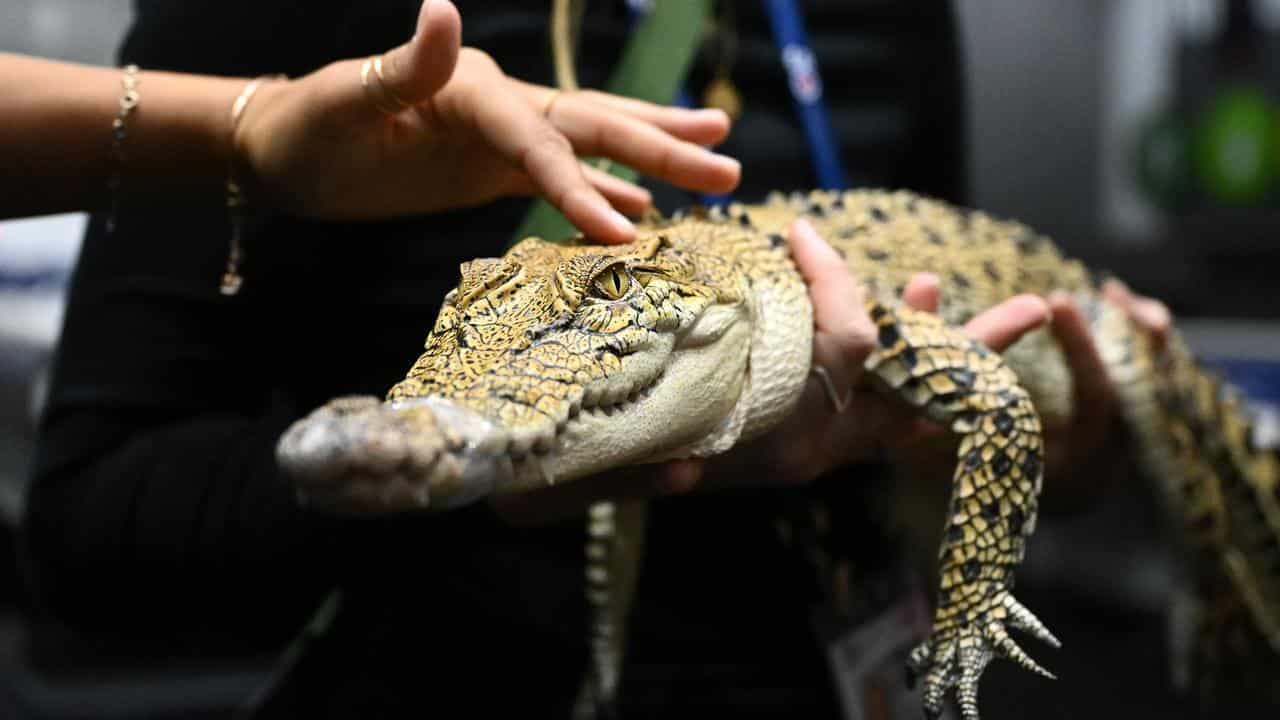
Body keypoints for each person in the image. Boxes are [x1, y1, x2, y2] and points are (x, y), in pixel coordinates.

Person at [18, 1, 1168, 718]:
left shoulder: (886, 21)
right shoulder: (275, 31)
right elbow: (90, 528)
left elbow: (949, 408)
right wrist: (468, 483)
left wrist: (1064, 453)